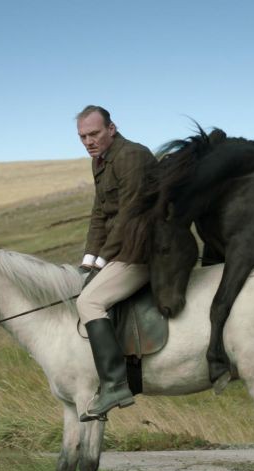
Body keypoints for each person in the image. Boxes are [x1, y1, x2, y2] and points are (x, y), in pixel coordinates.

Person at [74, 105, 157, 422]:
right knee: (85, 285)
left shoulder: (131, 156)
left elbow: (129, 215)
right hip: (121, 250)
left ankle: (114, 384)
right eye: (82, 136)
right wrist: (88, 262)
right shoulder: (100, 162)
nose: (88, 141)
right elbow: (100, 215)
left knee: (90, 301)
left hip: (144, 251)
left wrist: (103, 261)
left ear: (111, 128)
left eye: (94, 134)